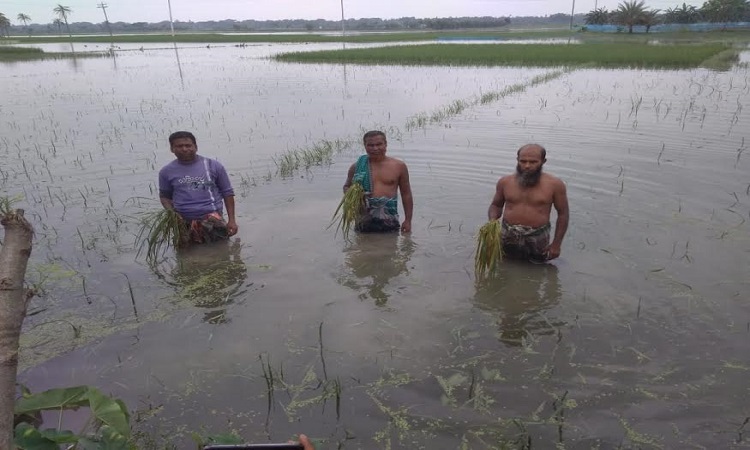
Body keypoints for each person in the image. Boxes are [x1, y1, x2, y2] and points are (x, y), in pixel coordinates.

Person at [488, 144, 569, 262]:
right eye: (523, 161)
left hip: (537, 237)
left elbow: (563, 214)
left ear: (543, 161)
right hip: (508, 234)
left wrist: (556, 245)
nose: (527, 166)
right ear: (517, 160)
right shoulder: (505, 182)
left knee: (538, 267)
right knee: (503, 263)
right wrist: (492, 223)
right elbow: (496, 205)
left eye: (533, 162)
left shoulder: (555, 185)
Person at [158, 131, 238, 244]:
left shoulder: (213, 165)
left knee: (221, 254)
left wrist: (232, 221)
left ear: (195, 147)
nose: (184, 149)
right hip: (183, 224)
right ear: (172, 149)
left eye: (188, 145)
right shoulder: (166, 172)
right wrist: (173, 215)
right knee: (186, 258)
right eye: (179, 146)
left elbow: (227, 193)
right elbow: (165, 197)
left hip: (213, 220)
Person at [343, 130, 413, 233]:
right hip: (363, 220)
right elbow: (346, 187)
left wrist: (408, 220)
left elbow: (406, 194)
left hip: (389, 219)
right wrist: (354, 194)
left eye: (379, 144)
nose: (375, 148)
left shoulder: (399, 166)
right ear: (365, 146)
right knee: (362, 247)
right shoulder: (357, 167)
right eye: (370, 145)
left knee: (390, 246)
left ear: (386, 144)